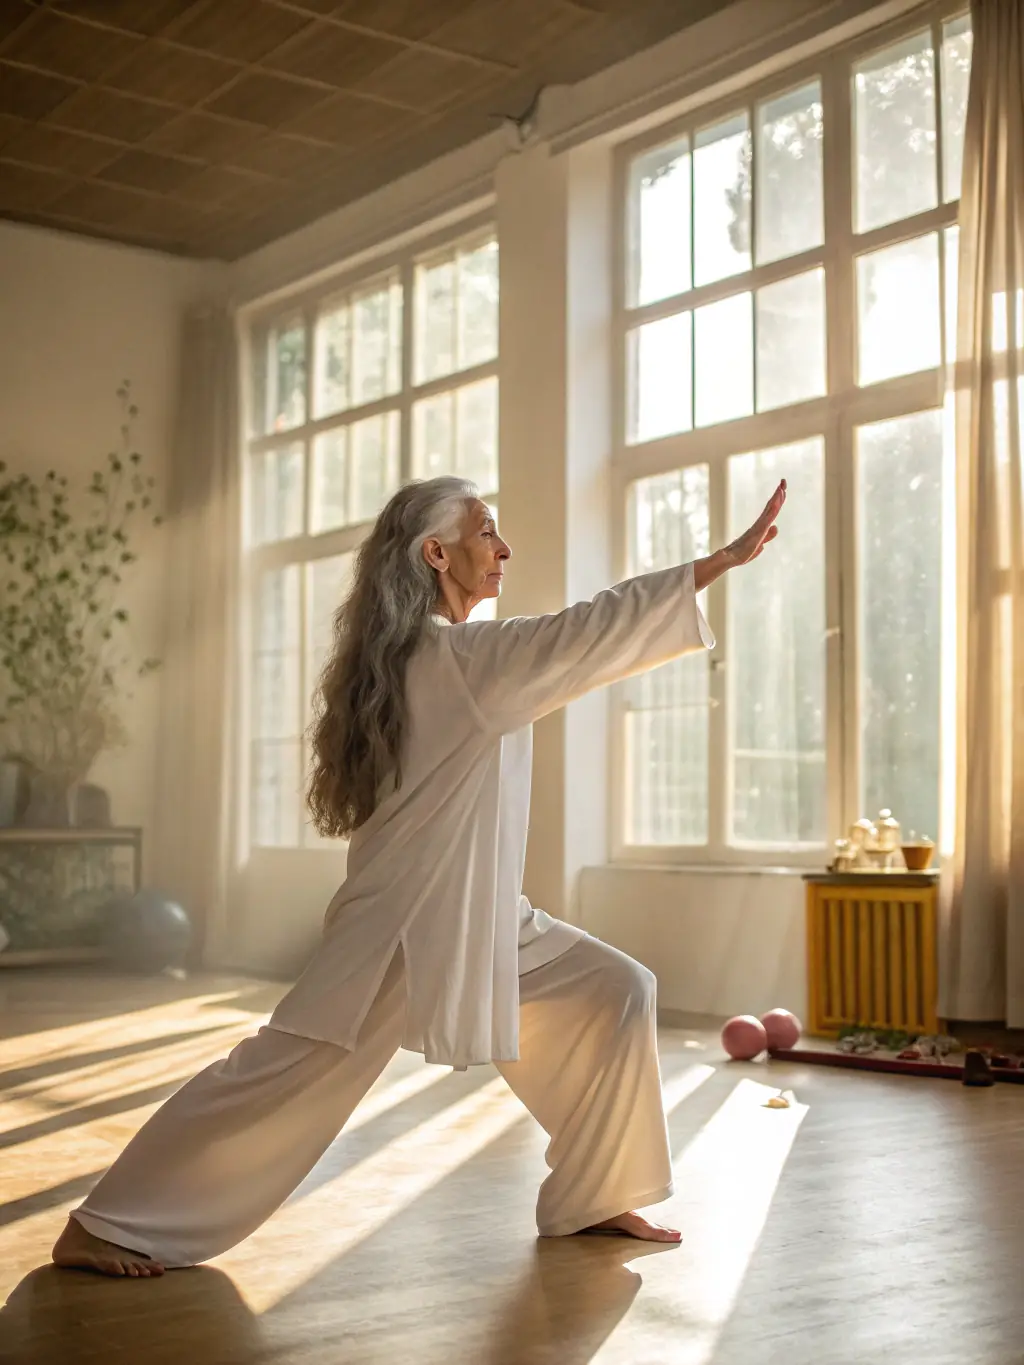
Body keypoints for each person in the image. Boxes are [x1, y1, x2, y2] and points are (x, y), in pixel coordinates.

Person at [53, 473, 786, 1277]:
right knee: (279, 1070)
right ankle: (105, 1220)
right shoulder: (458, 658)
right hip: (401, 926)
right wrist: (717, 562)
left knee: (618, 989)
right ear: (436, 553)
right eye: (485, 533)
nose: (503, 548)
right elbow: (588, 629)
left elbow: (576, 638)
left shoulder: (429, 657)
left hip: (481, 915)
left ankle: (592, 1194)